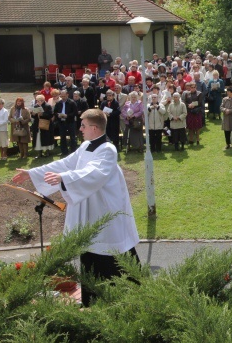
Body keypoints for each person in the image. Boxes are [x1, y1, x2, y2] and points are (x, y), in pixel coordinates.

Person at [11, 109, 140, 307]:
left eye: (83, 125)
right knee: (89, 252)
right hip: (88, 209)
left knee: (112, 256)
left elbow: (94, 172)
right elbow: (66, 164)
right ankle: (92, 302)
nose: (80, 128)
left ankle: (129, 299)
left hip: (104, 210)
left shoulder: (107, 149)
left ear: (94, 128)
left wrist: (65, 178)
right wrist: (32, 173)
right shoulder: (86, 146)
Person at [54, 90, 78, 156]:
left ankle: (73, 151)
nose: (63, 97)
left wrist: (67, 116)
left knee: (72, 137)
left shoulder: (72, 102)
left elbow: (75, 112)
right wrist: (57, 115)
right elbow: (55, 111)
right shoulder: (59, 103)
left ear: (67, 95)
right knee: (62, 137)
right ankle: (64, 151)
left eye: (64, 96)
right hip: (61, 122)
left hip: (70, 122)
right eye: (61, 96)